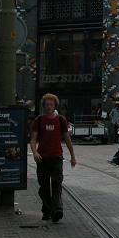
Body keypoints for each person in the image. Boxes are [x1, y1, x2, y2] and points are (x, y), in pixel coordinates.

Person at [30, 93, 77, 223]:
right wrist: (35, 152)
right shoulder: (38, 120)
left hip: (56, 157)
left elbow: (67, 139)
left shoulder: (61, 120)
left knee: (57, 184)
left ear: (55, 106)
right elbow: (33, 140)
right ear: (43, 106)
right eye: (47, 104)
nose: (49, 107)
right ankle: (47, 210)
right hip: (42, 159)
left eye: (51, 104)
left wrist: (73, 156)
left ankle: (57, 210)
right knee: (43, 186)